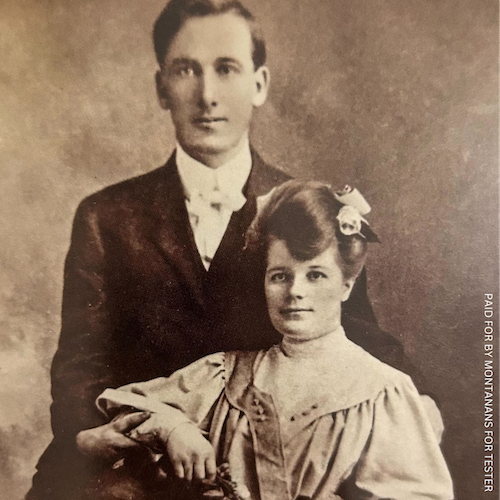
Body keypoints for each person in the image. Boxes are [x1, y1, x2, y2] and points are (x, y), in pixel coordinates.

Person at [28, 1, 428, 499]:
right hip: (137, 459)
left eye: (226, 68)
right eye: (185, 70)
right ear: (160, 88)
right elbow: (79, 363)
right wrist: (124, 436)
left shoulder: (304, 210)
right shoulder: (106, 215)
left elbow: (357, 335)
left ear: (259, 84)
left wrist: (413, 403)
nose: (207, 94)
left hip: (262, 462)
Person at [80, 181, 453, 500]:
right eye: (279, 276)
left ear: (346, 285)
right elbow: (125, 406)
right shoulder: (225, 375)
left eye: (316, 275)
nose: (295, 292)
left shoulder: (381, 394)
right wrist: (173, 428)